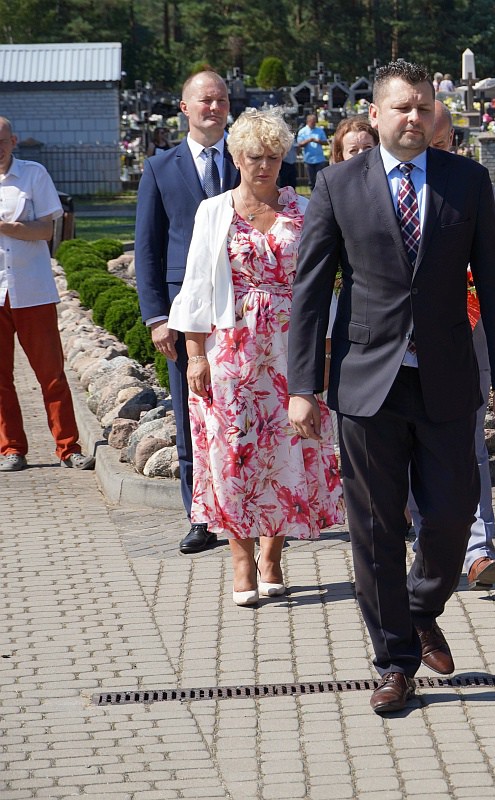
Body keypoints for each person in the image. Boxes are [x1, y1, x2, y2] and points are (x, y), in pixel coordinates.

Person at [286, 60, 495, 715]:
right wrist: (304, 383)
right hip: (368, 387)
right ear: (377, 113)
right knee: (375, 532)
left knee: (451, 522)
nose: (413, 117)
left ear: (435, 112)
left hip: (447, 382)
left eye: (423, 106)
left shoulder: (467, 182)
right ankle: (394, 662)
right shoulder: (338, 184)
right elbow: (309, 291)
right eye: (401, 107)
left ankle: (421, 606)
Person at [168, 108, 343, 607]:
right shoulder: (214, 211)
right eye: (253, 157)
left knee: (286, 451)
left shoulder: (305, 210)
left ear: (284, 157)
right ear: (236, 157)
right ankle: (240, 559)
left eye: (272, 156)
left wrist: (326, 351)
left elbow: (323, 287)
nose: (263, 166)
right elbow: (197, 286)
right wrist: (195, 355)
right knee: (233, 455)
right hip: (232, 353)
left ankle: (272, 556)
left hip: (293, 349)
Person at [135, 70, 239, 553]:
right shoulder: (160, 168)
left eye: (220, 100)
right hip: (184, 315)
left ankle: (246, 509)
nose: (213, 108)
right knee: (189, 415)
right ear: (184, 107)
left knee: (242, 411)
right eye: (204, 101)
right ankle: (199, 518)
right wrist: (158, 316)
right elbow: (148, 248)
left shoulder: (247, 159)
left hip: (241, 309)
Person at [407, 100, 495, 591]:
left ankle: (479, 546)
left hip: (465, 336)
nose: (438, 150)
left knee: (471, 446)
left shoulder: (469, 183)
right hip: (398, 350)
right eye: (433, 142)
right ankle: (427, 545)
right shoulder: (385, 186)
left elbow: (492, 266)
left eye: (446, 141)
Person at [0, 116, 95, 473]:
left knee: (51, 374)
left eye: (2, 141)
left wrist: (5, 227)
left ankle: (68, 448)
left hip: (32, 290)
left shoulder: (33, 174)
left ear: (14, 140)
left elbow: (45, 230)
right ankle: (11, 449)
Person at [296, 114, 328, 189]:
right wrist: (309, 140)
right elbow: (299, 144)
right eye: (312, 122)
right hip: (308, 159)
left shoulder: (319, 130)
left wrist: (318, 141)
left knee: (320, 179)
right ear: (308, 122)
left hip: (319, 158)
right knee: (311, 180)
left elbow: (325, 142)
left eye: (315, 122)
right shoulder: (302, 131)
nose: (314, 124)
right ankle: (312, 194)